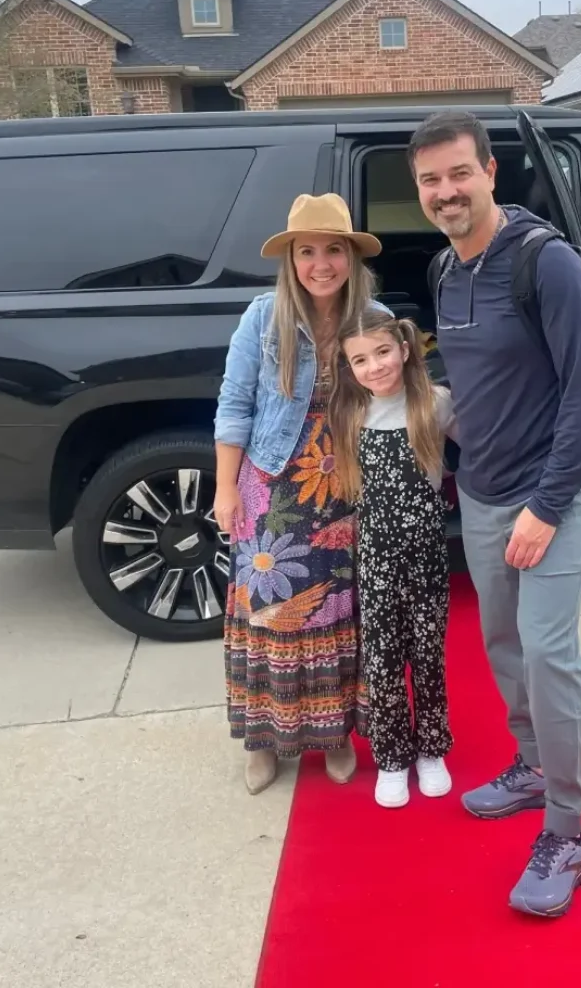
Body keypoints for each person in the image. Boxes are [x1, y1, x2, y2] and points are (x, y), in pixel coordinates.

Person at [408, 111, 581, 917]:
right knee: (501, 643)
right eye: (430, 180)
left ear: (490, 172)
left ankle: (569, 832)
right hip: (483, 494)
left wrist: (547, 508)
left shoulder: (544, 264)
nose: (446, 192)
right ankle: (531, 764)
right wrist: (412, 407)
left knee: (549, 652)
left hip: (552, 499)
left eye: (459, 173)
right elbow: (479, 390)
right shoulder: (444, 273)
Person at [213, 193, 390, 795]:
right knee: (268, 615)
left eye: (333, 250)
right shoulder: (263, 317)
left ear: (350, 258)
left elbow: (395, 403)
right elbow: (234, 405)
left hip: (343, 485)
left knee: (337, 610)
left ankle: (333, 734)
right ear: (290, 259)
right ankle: (263, 741)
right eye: (307, 251)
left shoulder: (373, 318)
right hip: (269, 485)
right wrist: (225, 490)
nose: (321, 263)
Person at [329, 308, 456, 809]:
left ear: (405, 350)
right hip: (375, 556)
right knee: (381, 658)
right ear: (349, 368)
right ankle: (392, 756)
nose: (374, 366)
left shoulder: (435, 404)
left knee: (427, 653)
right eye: (360, 359)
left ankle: (431, 748)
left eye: (382, 352)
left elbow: (489, 444)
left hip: (425, 551)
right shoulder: (349, 415)